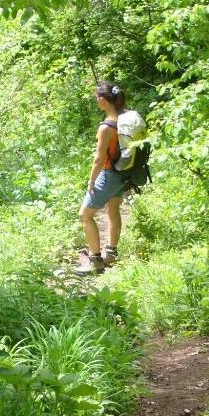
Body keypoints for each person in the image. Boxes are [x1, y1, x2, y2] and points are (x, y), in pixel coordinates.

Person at [75, 81, 127, 274]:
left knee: (85, 215)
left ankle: (95, 259)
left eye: (97, 98)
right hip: (123, 172)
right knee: (113, 210)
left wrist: (91, 182)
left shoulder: (106, 127)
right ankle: (111, 253)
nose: (96, 101)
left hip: (109, 174)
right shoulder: (124, 118)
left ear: (103, 100)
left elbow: (99, 159)